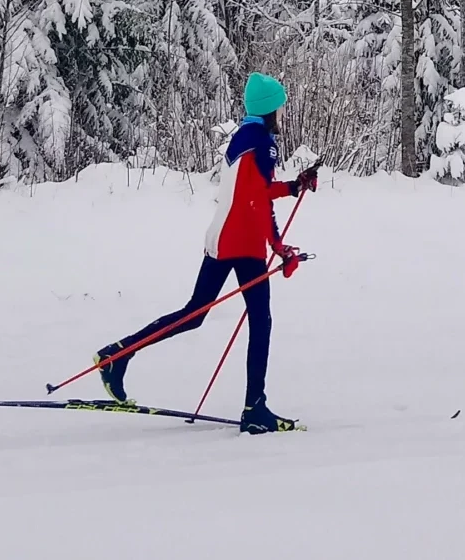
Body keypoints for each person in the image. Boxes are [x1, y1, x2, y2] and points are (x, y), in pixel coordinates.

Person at [94, 72, 319, 433]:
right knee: (260, 322)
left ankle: (117, 354)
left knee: (194, 313)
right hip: (244, 244)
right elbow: (256, 201)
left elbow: (254, 190)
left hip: (222, 237)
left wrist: (293, 186)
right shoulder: (261, 141)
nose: (282, 114)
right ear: (269, 110)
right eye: (280, 107)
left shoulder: (243, 137)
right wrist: (279, 247)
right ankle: (255, 409)